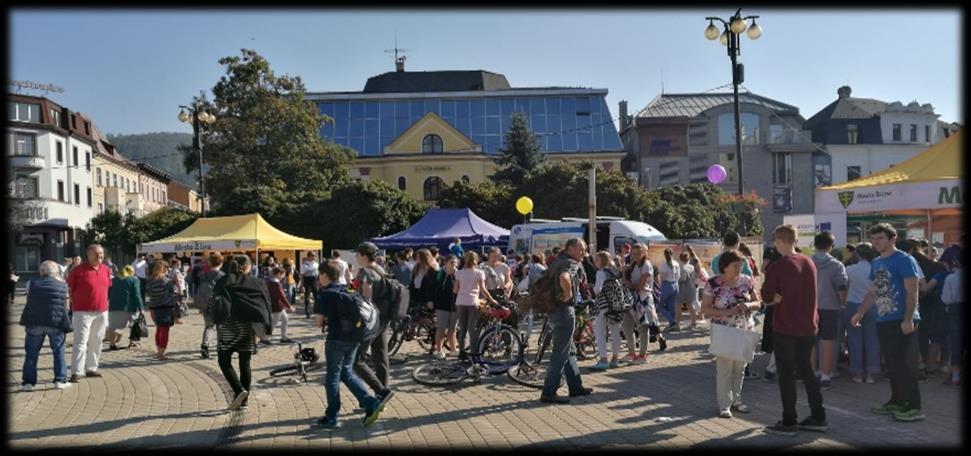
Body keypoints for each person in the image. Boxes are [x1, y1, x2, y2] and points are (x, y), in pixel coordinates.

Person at [850, 223, 924, 422]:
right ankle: (897, 400)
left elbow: (913, 292)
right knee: (892, 364)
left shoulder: (905, 260)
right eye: (873, 238)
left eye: (880, 238)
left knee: (906, 364)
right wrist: (860, 312)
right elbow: (873, 291)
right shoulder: (876, 262)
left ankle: (913, 406)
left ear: (893, 239)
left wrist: (908, 319)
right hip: (884, 319)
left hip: (903, 319)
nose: (876, 242)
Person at [761, 224, 827, 436]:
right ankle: (819, 416)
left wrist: (774, 298)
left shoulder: (778, 266)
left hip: (786, 327)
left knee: (787, 375)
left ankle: (789, 421)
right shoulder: (809, 261)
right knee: (807, 370)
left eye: (775, 242)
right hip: (808, 326)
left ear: (779, 241)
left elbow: (766, 295)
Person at [313, 260, 390, 429]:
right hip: (354, 338)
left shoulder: (325, 294)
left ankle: (332, 416)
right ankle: (370, 403)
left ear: (325, 275)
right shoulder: (347, 289)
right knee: (346, 373)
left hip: (336, 340)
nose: (319, 278)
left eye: (320, 274)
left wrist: (324, 315)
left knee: (332, 378)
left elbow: (318, 323)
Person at [701, 250, 762, 419]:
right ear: (725, 266)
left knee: (740, 368)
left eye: (741, 265)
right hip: (722, 330)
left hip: (744, 329)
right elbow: (704, 309)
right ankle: (724, 405)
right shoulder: (713, 283)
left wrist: (748, 305)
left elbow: (758, 302)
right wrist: (727, 311)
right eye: (736, 265)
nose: (740, 268)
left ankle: (737, 400)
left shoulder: (747, 280)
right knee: (724, 369)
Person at [211, 254, 273, 411]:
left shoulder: (224, 280)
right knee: (245, 363)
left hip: (229, 325)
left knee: (224, 361)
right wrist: (267, 327)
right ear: (248, 267)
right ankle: (244, 401)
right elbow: (266, 303)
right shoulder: (257, 282)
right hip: (247, 326)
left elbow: (216, 300)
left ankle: (239, 390)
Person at [539, 238, 593, 404]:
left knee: (569, 349)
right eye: (581, 249)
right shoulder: (570, 263)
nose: (584, 253)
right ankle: (549, 392)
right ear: (570, 249)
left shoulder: (556, 262)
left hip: (553, 309)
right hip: (564, 310)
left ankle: (575, 386)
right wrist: (569, 294)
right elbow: (564, 277)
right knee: (560, 353)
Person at [19, 261, 73, 391]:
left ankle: (28, 383)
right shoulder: (63, 285)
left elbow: (29, 297)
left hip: (35, 322)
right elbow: (66, 304)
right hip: (56, 322)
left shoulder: (31, 283)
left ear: (41, 272)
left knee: (31, 353)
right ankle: (60, 380)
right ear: (56, 272)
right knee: (58, 351)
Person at [351, 242, 394, 405]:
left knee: (356, 359)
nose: (355, 257)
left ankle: (381, 392)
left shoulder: (367, 272)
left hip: (371, 321)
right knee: (380, 356)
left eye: (357, 254)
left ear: (363, 255)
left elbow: (367, 297)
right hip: (383, 318)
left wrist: (361, 318)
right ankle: (382, 391)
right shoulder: (380, 269)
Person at [66, 244, 112, 383]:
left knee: (97, 341)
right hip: (82, 312)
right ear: (89, 254)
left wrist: (106, 304)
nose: (100, 256)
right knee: (80, 342)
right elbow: (69, 289)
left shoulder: (105, 269)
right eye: (96, 253)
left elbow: (107, 288)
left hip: (101, 311)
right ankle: (76, 372)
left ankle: (91, 368)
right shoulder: (78, 270)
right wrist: (72, 305)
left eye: (101, 253)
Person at [811, 232, 849, 390]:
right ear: (831, 246)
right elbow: (842, 287)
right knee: (828, 342)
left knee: (811, 342)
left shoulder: (808, 262)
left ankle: (812, 373)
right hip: (830, 307)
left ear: (815, 245)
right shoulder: (837, 265)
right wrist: (842, 303)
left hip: (810, 307)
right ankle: (826, 375)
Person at [621, 243, 664, 365]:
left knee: (643, 327)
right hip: (632, 300)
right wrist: (624, 273)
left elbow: (640, 286)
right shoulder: (633, 265)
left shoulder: (646, 265)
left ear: (644, 253)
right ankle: (631, 353)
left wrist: (627, 283)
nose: (635, 256)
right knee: (627, 326)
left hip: (643, 300)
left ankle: (643, 355)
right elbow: (625, 281)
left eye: (638, 253)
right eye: (633, 254)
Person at [844, 242, 880, 384]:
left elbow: (844, 288)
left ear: (857, 254)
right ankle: (871, 373)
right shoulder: (877, 269)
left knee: (854, 339)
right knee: (872, 339)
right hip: (873, 305)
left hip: (853, 304)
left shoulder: (850, 269)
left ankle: (857, 373)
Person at [453, 251, 498, 359]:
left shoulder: (458, 273)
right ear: (476, 260)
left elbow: (455, 290)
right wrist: (492, 300)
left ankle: (462, 352)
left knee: (462, 328)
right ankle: (473, 353)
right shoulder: (479, 273)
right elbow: (483, 290)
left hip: (460, 302)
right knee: (472, 329)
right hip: (473, 302)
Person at [590, 251, 623, 371]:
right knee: (615, 331)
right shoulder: (614, 271)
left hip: (603, 305)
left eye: (597, 260)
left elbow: (598, 290)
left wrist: (592, 289)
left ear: (603, 261)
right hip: (615, 305)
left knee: (599, 332)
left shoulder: (601, 273)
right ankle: (615, 359)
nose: (595, 262)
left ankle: (603, 359)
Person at [146, 260, 179, 361]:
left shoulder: (150, 281)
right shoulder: (167, 281)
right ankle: (161, 352)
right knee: (165, 330)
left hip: (154, 308)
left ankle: (158, 350)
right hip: (166, 308)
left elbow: (149, 294)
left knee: (159, 329)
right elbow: (173, 293)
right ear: (164, 269)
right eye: (167, 268)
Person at [196, 253, 226, 359]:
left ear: (209, 263)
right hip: (218, 304)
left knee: (209, 326)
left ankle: (205, 345)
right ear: (221, 263)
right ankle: (220, 348)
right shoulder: (222, 276)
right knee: (220, 327)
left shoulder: (204, 275)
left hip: (206, 304)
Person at [106, 265, 143, 351]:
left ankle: (112, 344)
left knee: (113, 326)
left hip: (114, 306)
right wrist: (141, 307)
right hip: (130, 306)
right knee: (134, 325)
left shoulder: (113, 280)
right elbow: (137, 295)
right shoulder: (134, 280)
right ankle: (132, 342)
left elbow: (107, 293)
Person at [760, 246, 782, 382]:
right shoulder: (798, 257)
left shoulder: (771, 254)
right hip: (780, 302)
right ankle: (771, 369)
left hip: (777, 302)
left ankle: (771, 369)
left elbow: (764, 269)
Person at [940, 251, 962, 385]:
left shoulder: (951, 278)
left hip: (955, 310)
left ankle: (955, 376)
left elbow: (946, 299)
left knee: (956, 343)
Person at [432, 255, 459, 359]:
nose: (454, 265)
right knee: (441, 328)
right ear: (446, 263)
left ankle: (453, 349)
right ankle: (439, 350)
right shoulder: (439, 274)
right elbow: (433, 288)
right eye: (452, 262)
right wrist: (431, 301)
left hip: (455, 305)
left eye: (456, 263)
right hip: (442, 305)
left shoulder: (458, 274)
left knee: (453, 329)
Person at [264, 267, 295, 344]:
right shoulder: (276, 284)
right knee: (273, 323)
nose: (283, 276)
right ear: (278, 274)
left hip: (278, 306)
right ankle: (265, 338)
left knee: (285, 319)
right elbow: (281, 296)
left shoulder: (270, 281)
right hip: (277, 306)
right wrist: (289, 306)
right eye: (283, 274)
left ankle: (284, 337)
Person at [656, 248, 682, 332]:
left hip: (666, 285)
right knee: (672, 307)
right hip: (675, 285)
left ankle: (672, 322)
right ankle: (672, 324)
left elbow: (663, 277)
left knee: (659, 306)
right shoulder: (676, 264)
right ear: (672, 254)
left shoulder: (664, 264)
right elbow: (678, 276)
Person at [410, 249, 439, 319]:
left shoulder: (432, 272)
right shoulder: (415, 269)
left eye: (418, 257)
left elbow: (434, 287)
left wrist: (431, 301)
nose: (416, 259)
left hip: (426, 300)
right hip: (415, 298)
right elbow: (413, 283)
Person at [677, 252, 703, 330]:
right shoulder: (691, 267)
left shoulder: (681, 267)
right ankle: (693, 323)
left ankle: (677, 323)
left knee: (678, 305)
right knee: (690, 306)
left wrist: (676, 280)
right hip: (691, 287)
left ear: (680, 259)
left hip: (682, 288)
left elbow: (682, 278)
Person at [300, 252, 320, 318]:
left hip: (314, 280)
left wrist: (318, 283)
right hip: (307, 280)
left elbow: (317, 275)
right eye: (312, 256)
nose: (313, 257)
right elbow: (302, 275)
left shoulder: (316, 264)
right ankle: (307, 312)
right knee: (307, 297)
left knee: (316, 296)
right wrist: (302, 285)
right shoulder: (304, 264)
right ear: (308, 256)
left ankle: (316, 310)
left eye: (314, 256)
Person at [168, 258, 187, 323]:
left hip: (174, 290)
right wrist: (180, 290)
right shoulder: (176, 271)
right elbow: (177, 281)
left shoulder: (172, 270)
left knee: (175, 304)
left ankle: (173, 319)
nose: (180, 265)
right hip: (177, 290)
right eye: (178, 264)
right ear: (175, 264)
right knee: (177, 305)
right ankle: (177, 319)